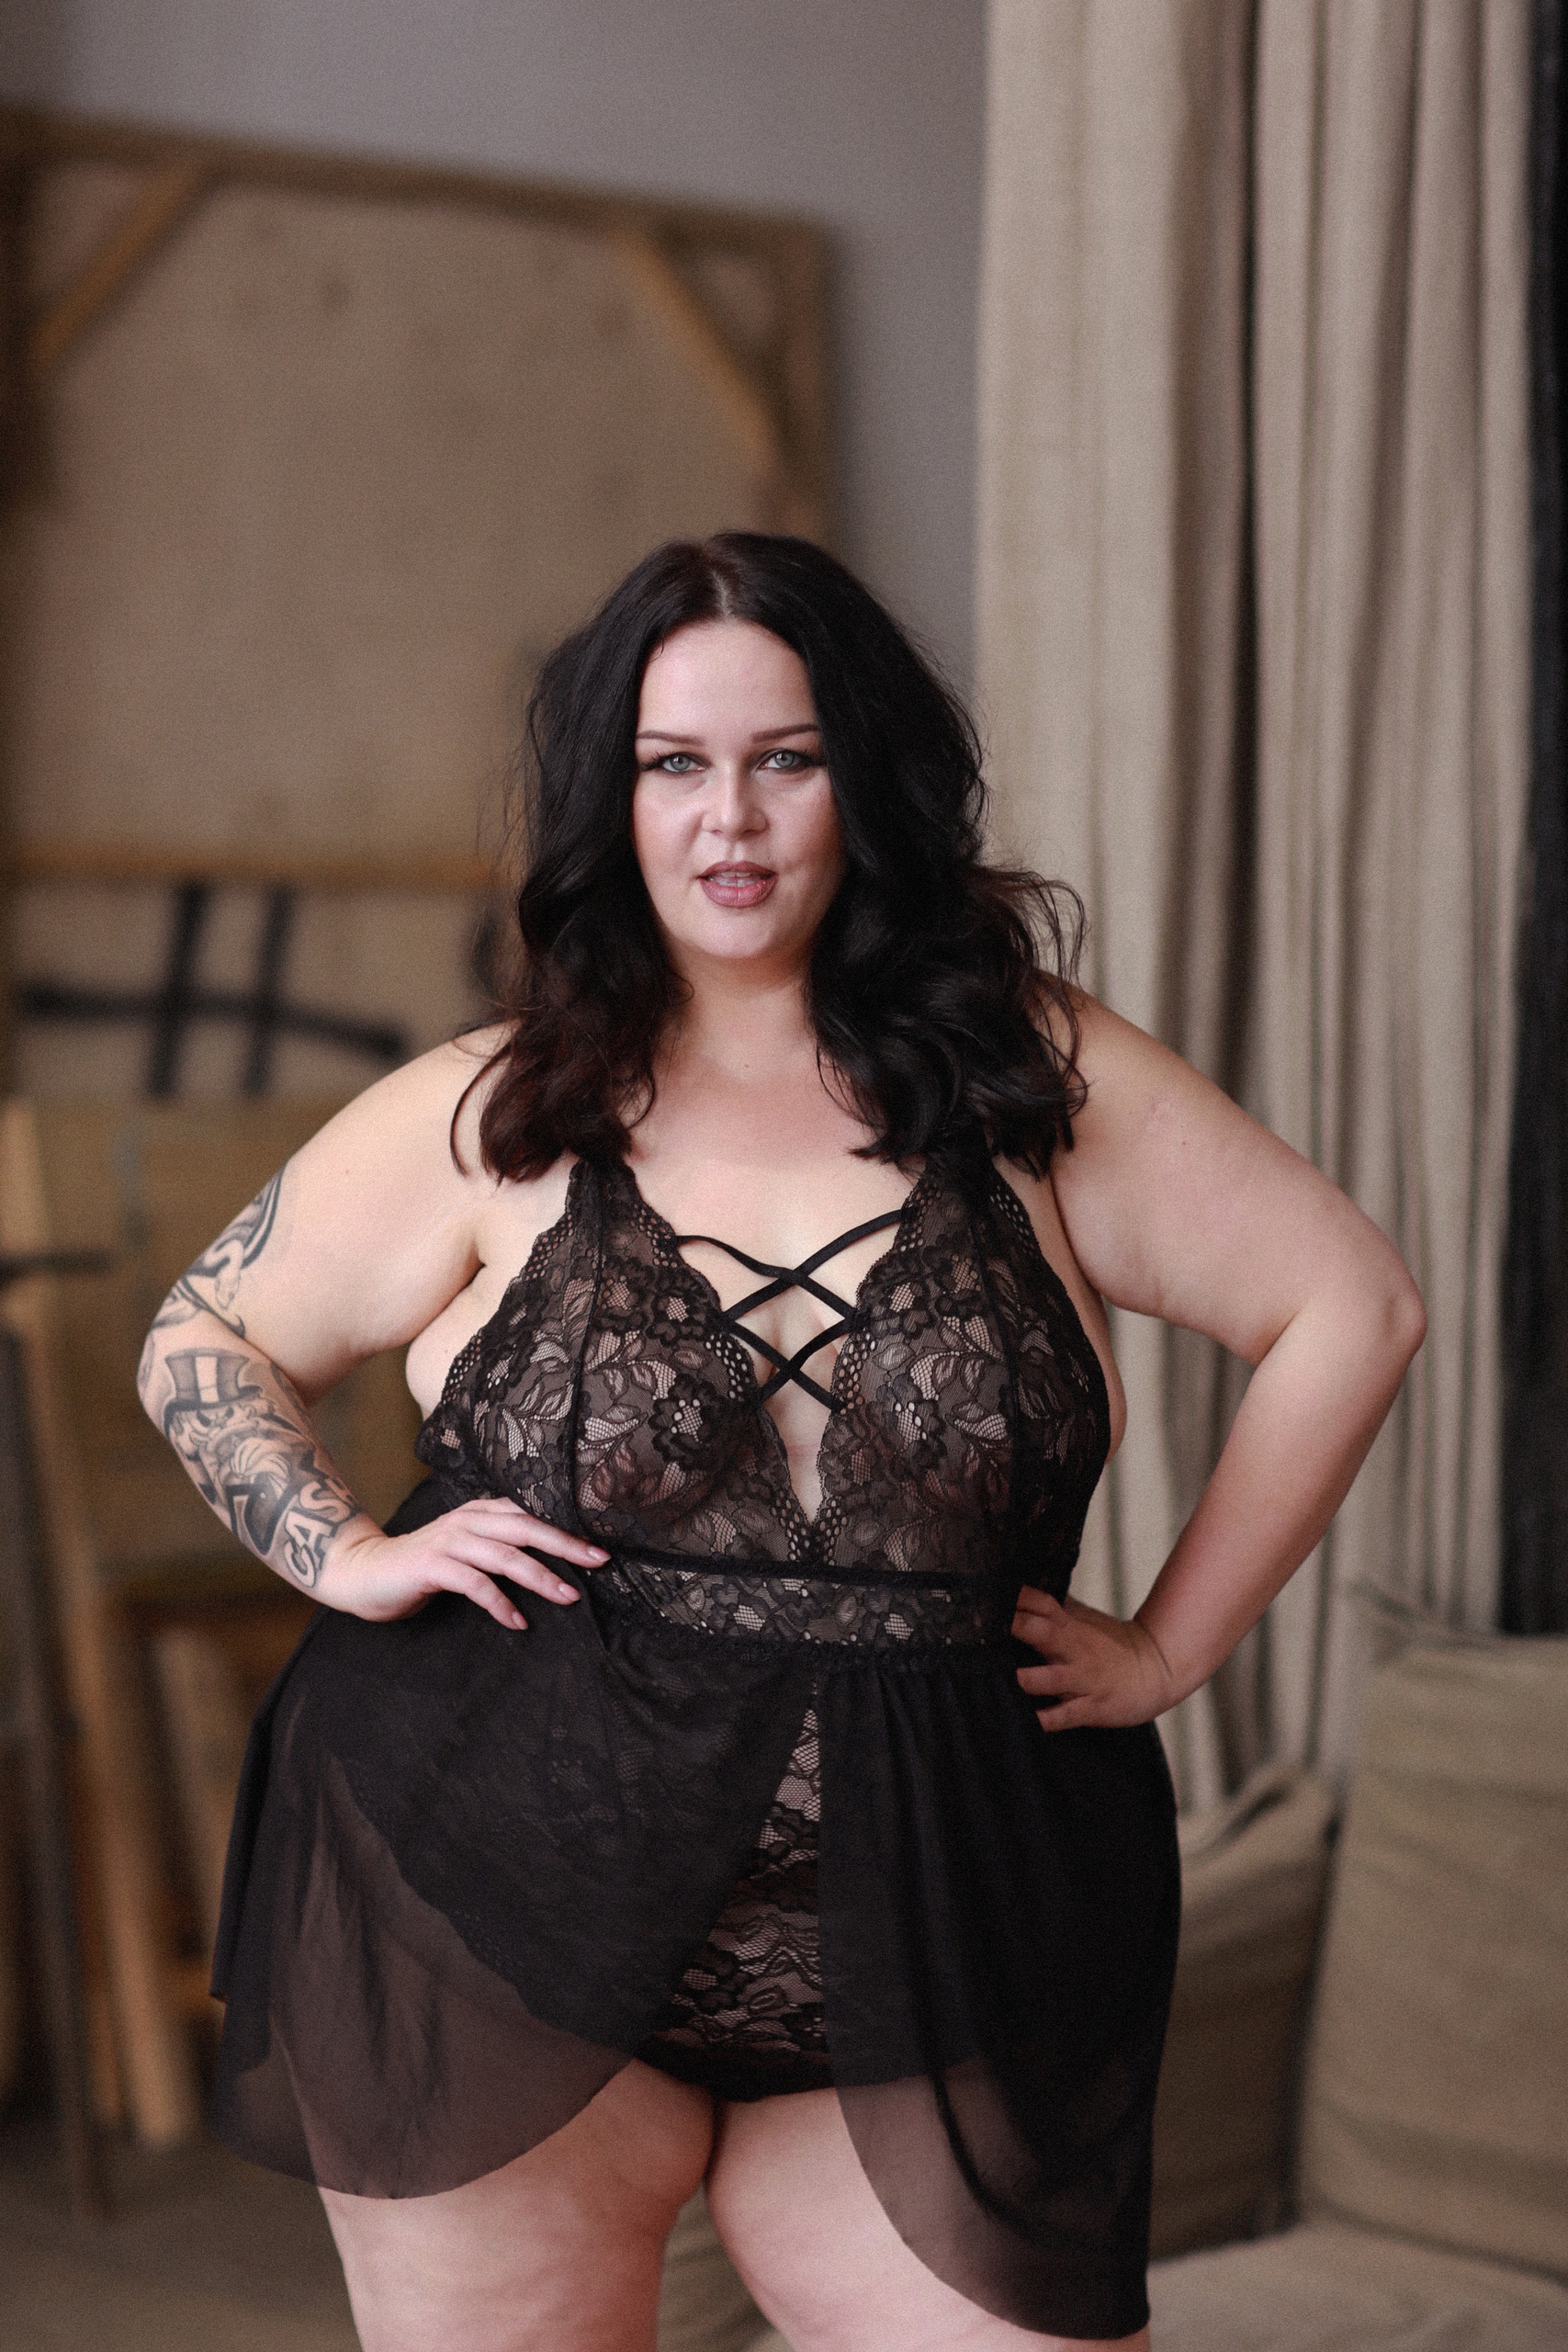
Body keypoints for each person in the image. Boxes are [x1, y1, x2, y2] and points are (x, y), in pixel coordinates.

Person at [138, 533, 1424, 2352]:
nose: (726, 818)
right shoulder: (500, 1106)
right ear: (612, 798)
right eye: (672, 763)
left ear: (864, 780)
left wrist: (1171, 1645)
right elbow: (204, 1333)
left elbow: (1351, 1305)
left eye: (785, 759)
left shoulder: (1032, 1081)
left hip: (934, 1929)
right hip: (499, 1908)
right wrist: (342, 1552)